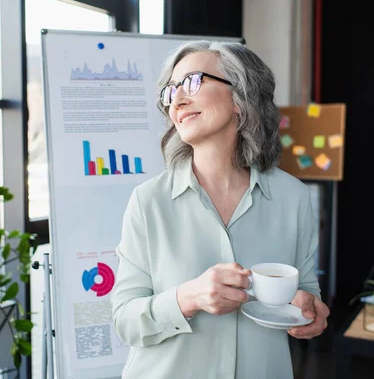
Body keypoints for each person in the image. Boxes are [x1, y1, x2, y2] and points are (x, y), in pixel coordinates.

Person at [111, 40, 330, 379]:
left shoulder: (293, 197)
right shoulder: (148, 201)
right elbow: (125, 321)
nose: (178, 101)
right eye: (171, 92)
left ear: (240, 97)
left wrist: (310, 312)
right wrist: (188, 297)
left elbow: (307, 292)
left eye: (193, 82)